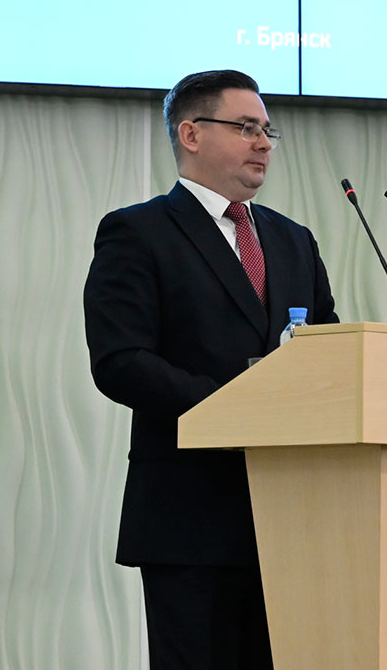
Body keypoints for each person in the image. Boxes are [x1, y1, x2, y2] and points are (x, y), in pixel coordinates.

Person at [83, 69, 338, 670]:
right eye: (246, 127)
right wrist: (235, 405)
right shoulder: (137, 232)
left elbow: (326, 353)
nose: (264, 142)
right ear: (191, 134)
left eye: (267, 129)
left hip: (291, 516)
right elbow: (120, 361)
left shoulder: (293, 240)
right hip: (189, 519)